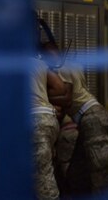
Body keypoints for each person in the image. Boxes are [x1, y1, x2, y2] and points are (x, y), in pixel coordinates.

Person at [47, 42, 108, 193]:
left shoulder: (61, 68)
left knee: (102, 175)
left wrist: (42, 97)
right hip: (94, 116)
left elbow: (67, 97)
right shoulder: (72, 65)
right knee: (85, 172)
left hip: (91, 118)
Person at [31, 47, 70, 200]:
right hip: (49, 118)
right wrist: (40, 92)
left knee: (42, 173)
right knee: (42, 168)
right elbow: (60, 87)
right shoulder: (39, 64)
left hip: (35, 121)